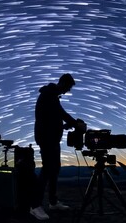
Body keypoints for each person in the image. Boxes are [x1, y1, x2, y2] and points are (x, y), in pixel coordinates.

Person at [30, 73, 78, 221]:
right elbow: (60, 113)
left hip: (52, 138)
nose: (68, 91)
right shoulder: (49, 95)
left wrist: (65, 125)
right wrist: (75, 123)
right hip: (46, 139)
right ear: (63, 83)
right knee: (47, 170)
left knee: (54, 169)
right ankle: (35, 206)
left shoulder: (53, 96)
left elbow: (53, 117)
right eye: (68, 87)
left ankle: (53, 201)